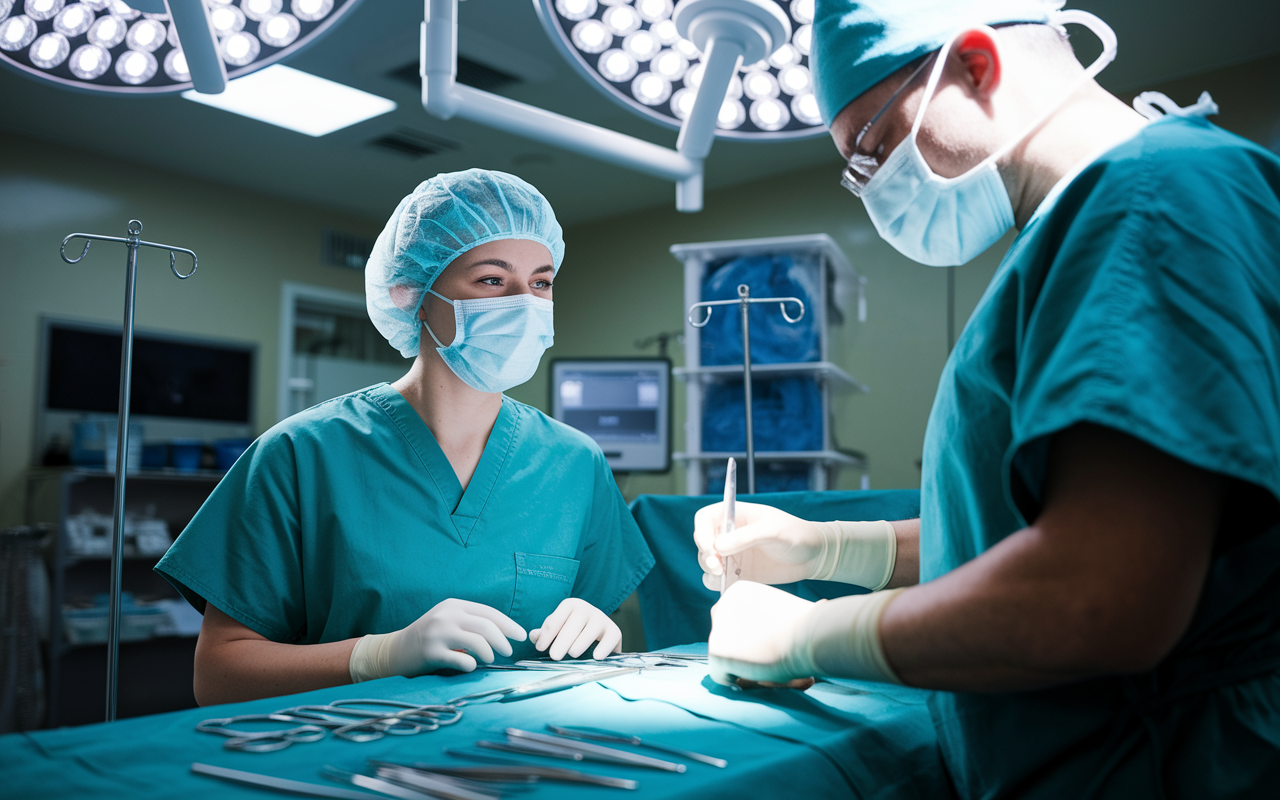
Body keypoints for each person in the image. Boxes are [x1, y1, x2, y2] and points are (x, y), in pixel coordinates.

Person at [694, 0, 1280, 796]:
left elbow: (1099, 593)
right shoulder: (1089, 226)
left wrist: (806, 635)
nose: (868, 190)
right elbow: (1042, 523)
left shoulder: (1152, 199)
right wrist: (828, 549)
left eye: (871, 148)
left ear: (976, 64)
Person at [157, 169, 654, 706]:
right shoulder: (300, 455)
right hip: (348, 763)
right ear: (411, 293)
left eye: (541, 283)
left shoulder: (574, 463)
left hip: (528, 759)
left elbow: (591, 638)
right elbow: (218, 676)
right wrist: (377, 656)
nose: (525, 303)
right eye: (492, 280)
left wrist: (598, 629)